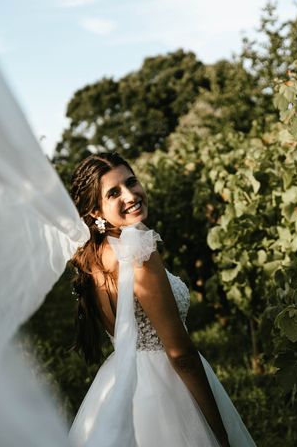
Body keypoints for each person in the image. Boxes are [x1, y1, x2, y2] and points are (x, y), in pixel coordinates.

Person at [67, 152, 256, 447]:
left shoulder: (92, 258)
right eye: (114, 192)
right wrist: (219, 432)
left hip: (120, 384)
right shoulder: (139, 252)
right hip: (166, 390)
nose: (130, 195)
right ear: (95, 211)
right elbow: (181, 356)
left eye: (132, 182)